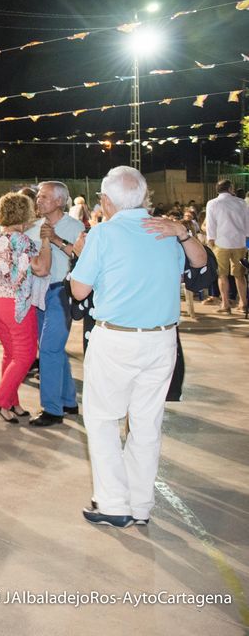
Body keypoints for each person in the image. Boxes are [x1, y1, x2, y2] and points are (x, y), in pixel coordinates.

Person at [70, 166, 207, 528]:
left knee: (102, 420)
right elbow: (197, 266)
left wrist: (84, 259)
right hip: (162, 339)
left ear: (106, 200)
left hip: (117, 338)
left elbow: (79, 291)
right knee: (147, 424)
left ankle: (114, 503)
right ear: (144, 197)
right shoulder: (166, 232)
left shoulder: (103, 234)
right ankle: (141, 505)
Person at [0, 193, 51, 423]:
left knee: (11, 353)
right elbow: (41, 268)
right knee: (26, 354)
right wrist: (47, 243)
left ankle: (11, 403)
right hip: (15, 301)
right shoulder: (22, 240)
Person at [26, 182, 86, 427]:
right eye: (38, 196)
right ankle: (68, 400)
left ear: (60, 201)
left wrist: (55, 239)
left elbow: (83, 256)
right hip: (38, 291)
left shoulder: (76, 227)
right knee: (53, 348)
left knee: (49, 349)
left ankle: (52, 409)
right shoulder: (33, 227)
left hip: (62, 291)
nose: (39, 200)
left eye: (45, 197)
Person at [204, 179, 249, 314]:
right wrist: (247, 236)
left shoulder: (212, 203)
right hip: (239, 242)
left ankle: (225, 304)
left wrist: (210, 239)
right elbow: (247, 221)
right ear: (230, 188)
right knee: (240, 275)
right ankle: (243, 303)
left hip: (220, 242)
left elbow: (211, 223)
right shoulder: (241, 203)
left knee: (222, 275)